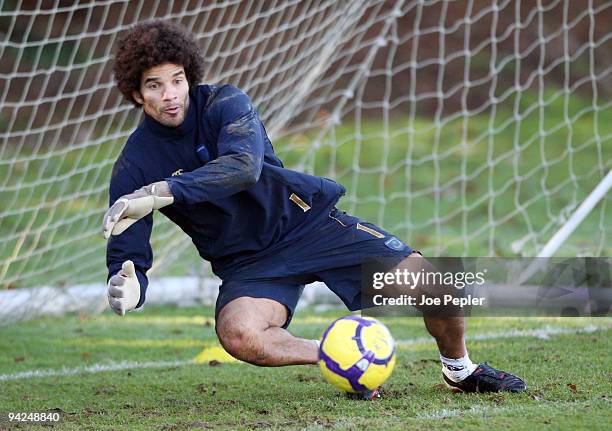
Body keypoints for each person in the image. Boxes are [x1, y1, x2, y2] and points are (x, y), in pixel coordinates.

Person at [103, 20, 526, 399]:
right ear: (137, 94)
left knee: (437, 287)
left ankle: (460, 370)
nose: (170, 95)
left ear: (189, 77)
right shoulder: (134, 165)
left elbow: (242, 168)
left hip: (307, 224)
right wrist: (130, 281)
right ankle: (342, 358)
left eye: (177, 80)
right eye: (155, 86)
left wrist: (166, 191)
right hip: (248, 263)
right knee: (239, 334)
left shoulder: (224, 103)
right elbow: (127, 251)